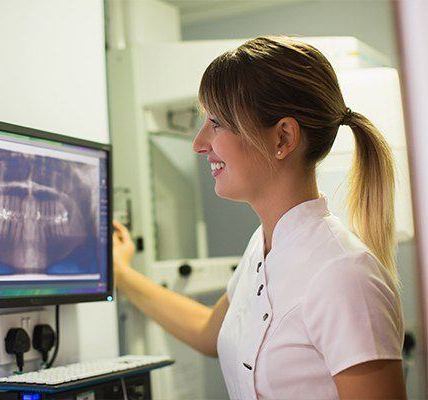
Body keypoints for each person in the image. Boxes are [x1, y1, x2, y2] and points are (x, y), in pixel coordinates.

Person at [112, 36, 406, 399]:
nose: (199, 142)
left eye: (217, 122)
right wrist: (122, 274)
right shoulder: (263, 247)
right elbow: (208, 331)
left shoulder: (344, 275)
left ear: (282, 137)